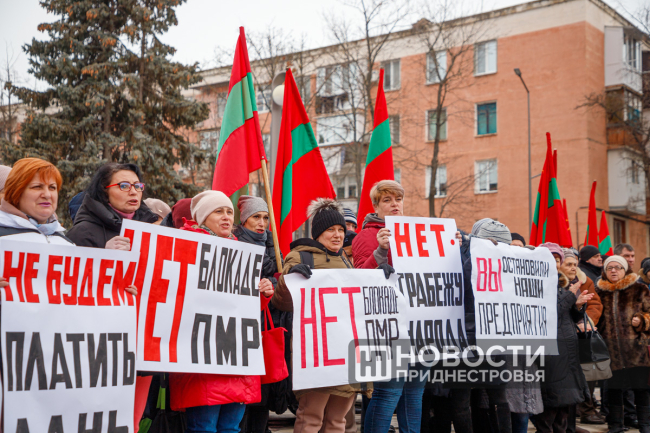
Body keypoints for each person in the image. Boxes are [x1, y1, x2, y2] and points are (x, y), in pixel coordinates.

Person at [169, 190, 275, 433]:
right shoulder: (185, 246)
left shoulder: (242, 252)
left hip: (237, 355)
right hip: (204, 357)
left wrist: (263, 293)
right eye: (218, 211)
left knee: (231, 428)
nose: (227, 217)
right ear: (202, 217)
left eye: (229, 211)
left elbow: (246, 308)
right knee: (203, 428)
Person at [272, 198, 374, 433]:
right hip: (317, 353)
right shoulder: (300, 257)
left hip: (347, 353)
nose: (338, 235)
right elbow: (281, 302)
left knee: (337, 421)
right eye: (331, 230)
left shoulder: (346, 260)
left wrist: (382, 278)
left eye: (341, 229)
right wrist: (290, 279)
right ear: (317, 233)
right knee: (311, 418)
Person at [351, 180, 427, 433]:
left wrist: (454, 245)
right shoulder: (366, 236)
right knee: (388, 394)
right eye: (387, 200)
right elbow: (360, 277)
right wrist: (380, 251)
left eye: (398, 199)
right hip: (389, 329)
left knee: (414, 396)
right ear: (376, 206)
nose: (395, 204)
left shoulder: (416, 233)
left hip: (420, 326)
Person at [0, 158, 137, 294]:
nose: (47, 195)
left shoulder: (66, 244)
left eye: (52, 187)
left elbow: (82, 293)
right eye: (37, 187)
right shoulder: (3, 236)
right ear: (16, 192)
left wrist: (118, 291)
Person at [453, 219, 515, 433]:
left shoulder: (469, 261)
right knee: (490, 396)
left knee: (469, 398)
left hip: (475, 337)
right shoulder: (469, 261)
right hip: (479, 337)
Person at [232, 195, 286, 433]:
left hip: (267, 325)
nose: (262, 223)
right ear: (244, 220)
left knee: (262, 394)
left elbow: (281, 283)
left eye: (265, 217)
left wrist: (278, 282)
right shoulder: (233, 243)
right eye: (256, 217)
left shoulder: (273, 246)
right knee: (243, 395)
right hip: (242, 329)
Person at [533, 243, 592, 433]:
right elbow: (548, 315)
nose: (555, 263)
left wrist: (577, 306)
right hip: (550, 354)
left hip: (566, 353)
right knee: (550, 407)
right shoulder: (536, 284)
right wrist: (571, 296)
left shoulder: (560, 284)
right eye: (552, 258)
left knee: (563, 410)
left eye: (558, 259)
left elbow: (566, 316)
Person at [594, 255, 650, 433]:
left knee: (641, 390)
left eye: (618, 267)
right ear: (605, 271)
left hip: (637, 351)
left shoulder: (640, 289)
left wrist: (642, 320)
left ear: (625, 270)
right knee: (614, 390)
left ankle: (645, 425)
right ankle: (615, 425)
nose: (613, 271)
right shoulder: (599, 292)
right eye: (609, 268)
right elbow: (593, 316)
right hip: (610, 351)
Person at [560, 249, 605, 427]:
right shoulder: (554, 283)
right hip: (563, 336)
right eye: (569, 264)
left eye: (575, 264)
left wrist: (587, 322)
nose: (573, 267)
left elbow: (594, 303)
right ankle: (569, 420)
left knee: (588, 373)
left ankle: (586, 410)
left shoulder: (584, 280)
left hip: (582, 334)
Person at [67, 163, 158, 249]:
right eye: (124, 186)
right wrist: (106, 254)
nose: (134, 192)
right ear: (104, 191)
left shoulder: (149, 229)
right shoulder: (81, 233)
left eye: (137, 186)